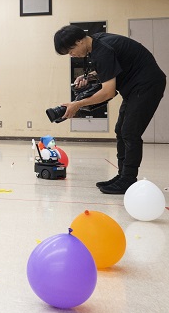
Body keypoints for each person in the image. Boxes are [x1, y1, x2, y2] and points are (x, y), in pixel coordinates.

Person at [54, 25, 166, 194]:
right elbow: (111, 68)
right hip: (135, 86)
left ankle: (128, 179)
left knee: (130, 132)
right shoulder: (97, 41)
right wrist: (88, 76)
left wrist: (77, 104)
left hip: (146, 85)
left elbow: (108, 92)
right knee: (120, 130)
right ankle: (123, 176)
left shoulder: (102, 50)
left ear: (80, 40)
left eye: (71, 50)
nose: (72, 55)